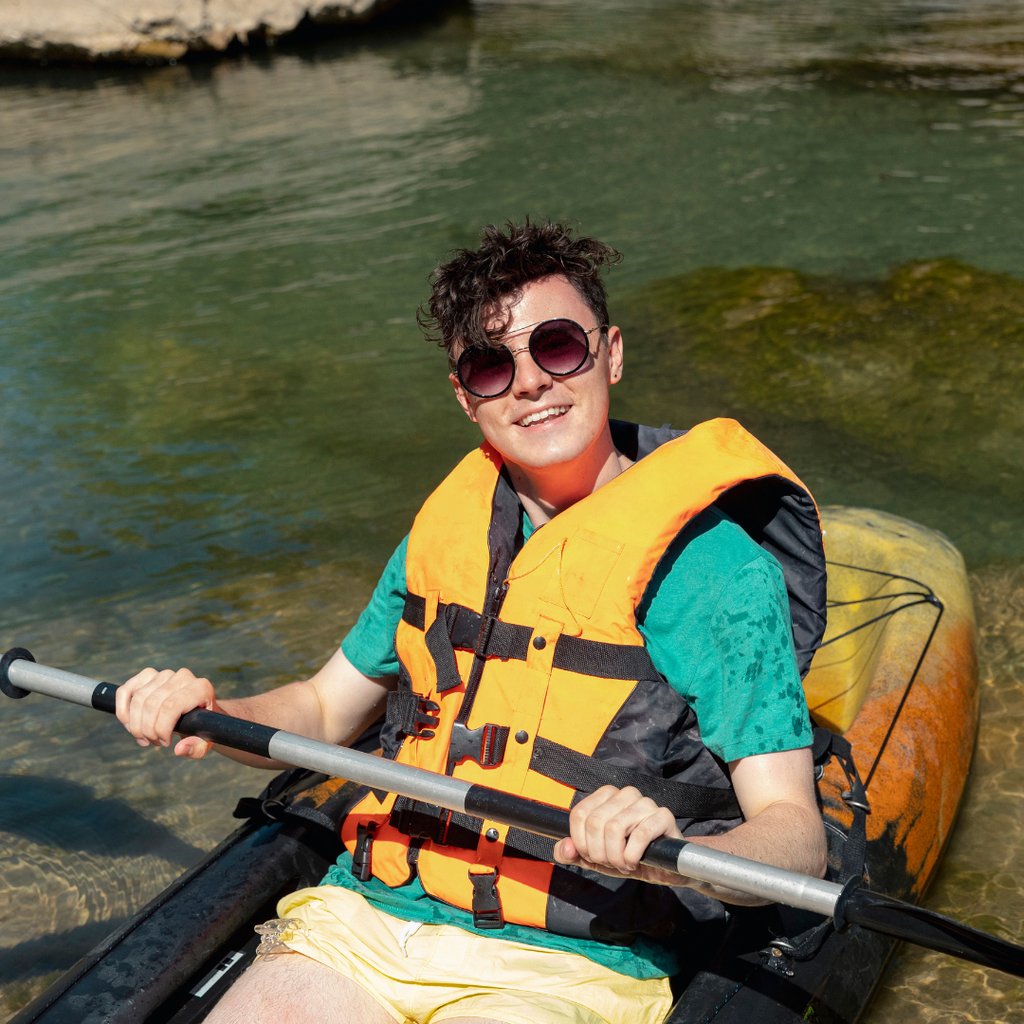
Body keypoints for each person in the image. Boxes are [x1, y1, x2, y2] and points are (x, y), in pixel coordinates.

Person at [116, 220, 828, 1024]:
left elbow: (793, 834)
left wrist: (671, 854)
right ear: (465, 395)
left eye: (557, 347)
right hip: (365, 920)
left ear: (612, 353)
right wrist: (208, 713)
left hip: (568, 962)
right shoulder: (443, 534)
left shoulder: (717, 573)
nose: (530, 383)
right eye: (492, 365)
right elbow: (321, 710)